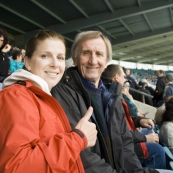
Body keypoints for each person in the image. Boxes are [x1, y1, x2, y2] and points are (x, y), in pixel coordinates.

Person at [52, 31, 172, 173]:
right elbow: (83, 157)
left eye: (99, 54)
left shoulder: (111, 94)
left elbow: (125, 144)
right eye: (86, 53)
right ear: (75, 58)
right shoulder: (61, 93)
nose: (93, 60)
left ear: (107, 60)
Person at [0, 30, 97, 173]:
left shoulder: (42, 96)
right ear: (27, 62)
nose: (55, 64)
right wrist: (78, 139)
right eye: (45, 56)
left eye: (60, 57)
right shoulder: (16, 96)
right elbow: (17, 167)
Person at [102, 64, 166, 169]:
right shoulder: (111, 99)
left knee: (153, 133)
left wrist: (140, 121)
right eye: (123, 76)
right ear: (117, 77)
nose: (125, 80)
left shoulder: (114, 95)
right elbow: (119, 134)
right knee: (158, 151)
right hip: (124, 147)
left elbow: (124, 120)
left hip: (129, 137)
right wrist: (145, 138)